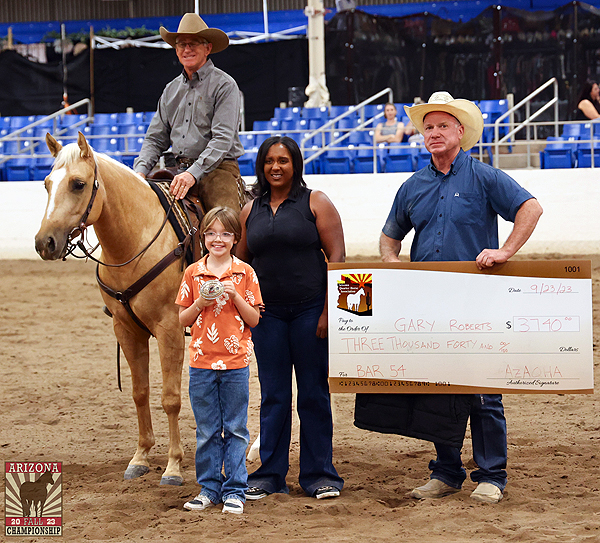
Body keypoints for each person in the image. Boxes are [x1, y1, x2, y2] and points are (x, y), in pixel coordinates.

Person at [360, 91, 543, 504]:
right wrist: (391, 262)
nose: (435, 133)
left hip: (477, 300)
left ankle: (492, 474)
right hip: (429, 304)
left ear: (461, 132)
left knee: (482, 389)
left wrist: (505, 251)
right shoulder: (413, 185)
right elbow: (390, 237)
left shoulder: (484, 177)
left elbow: (530, 208)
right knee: (439, 387)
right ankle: (446, 471)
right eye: (429, 127)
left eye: (443, 126)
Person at [236, 136, 345, 500]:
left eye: (283, 160)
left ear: (295, 164)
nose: (276, 167)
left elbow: (338, 259)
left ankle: (319, 475)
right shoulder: (250, 210)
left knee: (313, 393)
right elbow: (240, 266)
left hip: (310, 311)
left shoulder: (316, 202)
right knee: (274, 395)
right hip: (268, 319)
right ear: (261, 166)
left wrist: (330, 311)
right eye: (269, 161)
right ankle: (269, 475)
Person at [176, 206, 262, 515]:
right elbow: (182, 318)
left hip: (236, 362)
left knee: (236, 428)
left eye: (225, 234)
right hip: (201, 363)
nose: (218, 239)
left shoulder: (245, 273)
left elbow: (255, 319)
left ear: (235, 238)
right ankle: (209, 488)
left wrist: (236, 296)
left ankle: (235, 489)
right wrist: (201, 300)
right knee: (207, 430)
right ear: (203, 237)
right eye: (211, 233)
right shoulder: (193, 273)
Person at [133, 13, 244, 207]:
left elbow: (222, 139)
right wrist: (140, 172)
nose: (187, 49)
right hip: (177, 169)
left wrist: (193, 173)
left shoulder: (225, 85)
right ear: (176, 50)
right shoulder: (171, 90)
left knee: (225, 221)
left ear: (207, 48)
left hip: (219, 169)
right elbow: (155, 138)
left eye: (194, 43)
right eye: (182, 44)